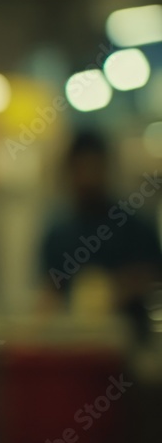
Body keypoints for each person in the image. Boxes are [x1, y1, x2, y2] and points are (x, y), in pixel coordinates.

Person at [40, 130, 162, 338]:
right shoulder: (57, 235)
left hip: (130, 345)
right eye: (80, 169)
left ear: (106, 168)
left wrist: (123, 288)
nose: (88, 178)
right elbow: (50, 293)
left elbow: (153, 277)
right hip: (78, 345)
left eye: (94, 167)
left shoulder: (136, 227)